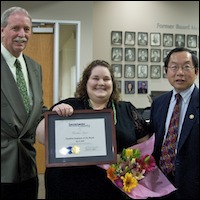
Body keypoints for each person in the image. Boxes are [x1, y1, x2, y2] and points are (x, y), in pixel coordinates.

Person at [36, 59, 150, 199]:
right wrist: (55, 113)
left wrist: (127, 162)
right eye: (95, 78)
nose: (101, 83)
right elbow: (41, 137)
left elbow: (144, 148)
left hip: (112, 189)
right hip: (69, 186)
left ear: (112, 84)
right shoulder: (69, 106)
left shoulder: (127, 109)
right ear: (86, 82)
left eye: (106, 79)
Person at [1, 6, 47, 199]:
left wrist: (56, 114)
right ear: (2, 30)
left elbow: (36, 110)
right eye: (15, 28)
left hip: (28, 166)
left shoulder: (35, 67)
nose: (22, 34)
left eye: (27, 29)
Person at [149, 47, 199, 199]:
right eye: (174, 67)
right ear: (166, 71)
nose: (180, 73)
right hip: (160, 185)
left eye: (186, 67)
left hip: (193, 188)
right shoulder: (158, 103)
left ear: (196, 71)